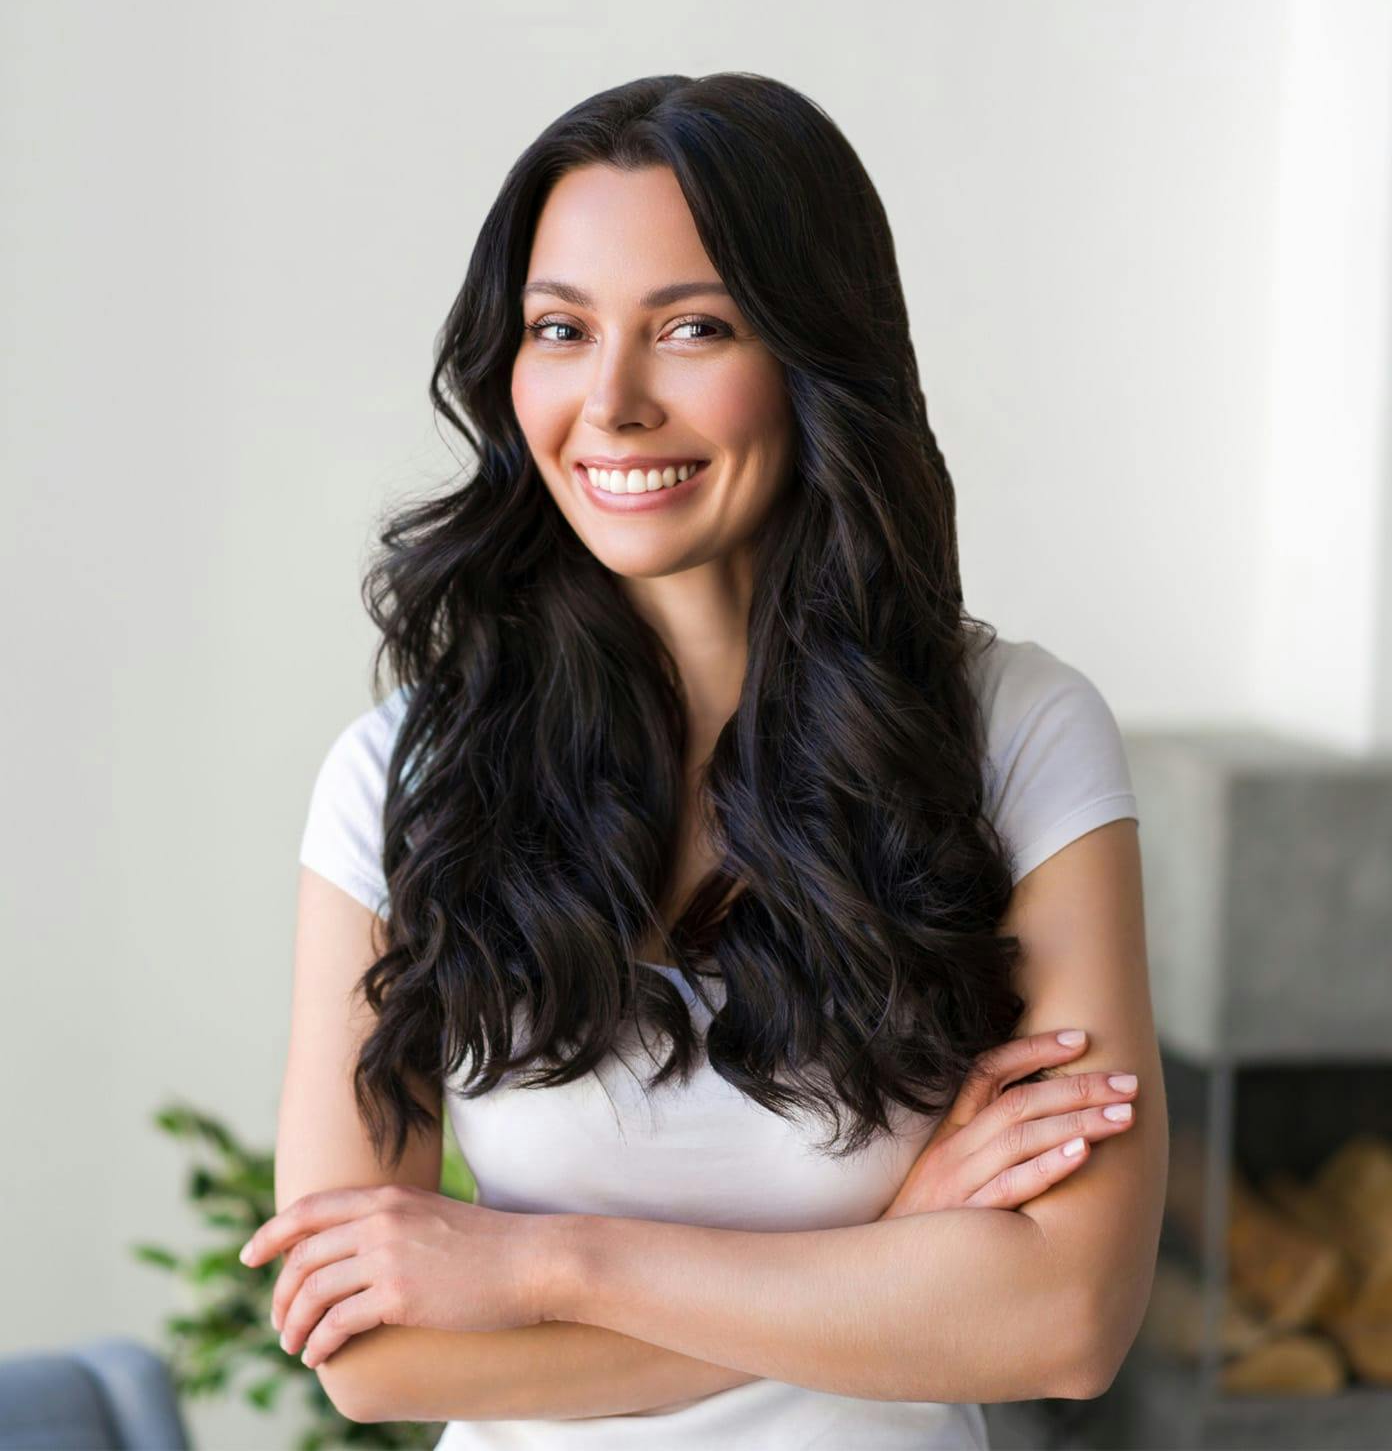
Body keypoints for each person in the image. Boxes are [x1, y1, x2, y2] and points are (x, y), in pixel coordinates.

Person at [242, 72, 1169, 1450]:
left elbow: (1066, 1320)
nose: (611, 402)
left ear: (813, 358)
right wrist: (891, 1261)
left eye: (693, 328)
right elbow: (371, 1359)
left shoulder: (1017, 733)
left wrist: (546, 1267)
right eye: (560, 329)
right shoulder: (400, 777)